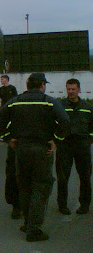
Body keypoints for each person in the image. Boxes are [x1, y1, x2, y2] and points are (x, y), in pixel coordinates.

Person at [0, 73, 69, 242]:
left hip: (21, 149)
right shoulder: (49, 101)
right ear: (42, 85)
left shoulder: (15, 101)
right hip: (42, 150)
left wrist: (7, 138)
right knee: (41, 187)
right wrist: (56, 140)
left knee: (25, 186)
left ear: (27, 85)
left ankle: (27, 223)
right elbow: (65, 121)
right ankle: (34, 230)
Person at [56, 78, 93, 215]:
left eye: (73, 89)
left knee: (85, 176)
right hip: (64, 145)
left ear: (79, 90)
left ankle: (85, 204)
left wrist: (89, 139)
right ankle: (62, 205)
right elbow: (54, 123)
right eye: (69, 89)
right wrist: (57, 139)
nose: (71, 91)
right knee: (62, 177)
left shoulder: (88, 107)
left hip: (82, 145)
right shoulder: (60, 106)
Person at [0, 74, 21, 219]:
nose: (2, 81)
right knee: (14, 174)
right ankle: (17, 205)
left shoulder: (13, 92)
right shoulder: (2, 92)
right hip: (18, 144)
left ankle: (19, 205)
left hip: (19, 144)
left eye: (4, 79)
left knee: (15, 174)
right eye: (1, 79)